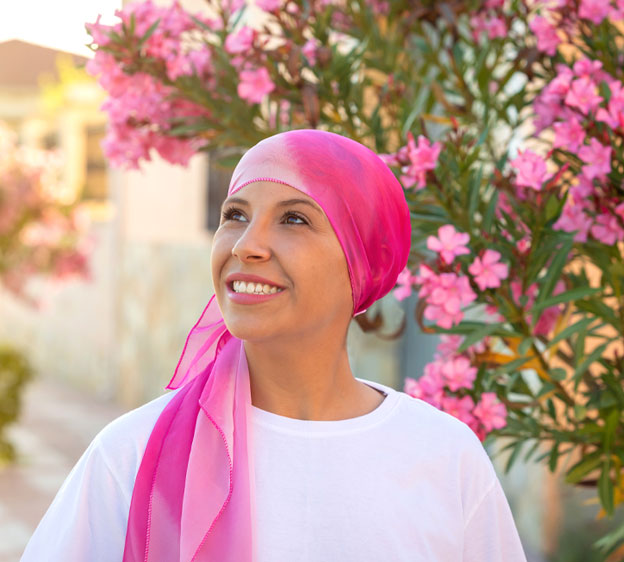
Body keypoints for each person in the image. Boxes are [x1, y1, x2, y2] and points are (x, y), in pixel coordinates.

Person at [21, 129, 527, 561]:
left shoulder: (444, 456)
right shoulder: (131, 455)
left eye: (294, 219)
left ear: (362, 262)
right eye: (235, 215)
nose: (245, 245)